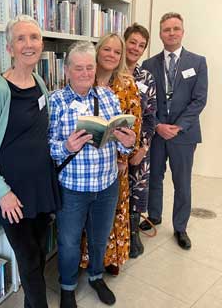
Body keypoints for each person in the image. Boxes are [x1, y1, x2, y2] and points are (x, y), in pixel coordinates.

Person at [0, 15, 61, 308]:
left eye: (34, 37)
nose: (28, 44)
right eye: (20, 39)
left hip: (40, 186)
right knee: (30, 262)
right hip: (12, 193)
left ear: (42, 44)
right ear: (9, 48)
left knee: (37, 254)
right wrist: (3, 193)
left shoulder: (39, 82)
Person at [49, 41, 136, 308]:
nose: (85, 73)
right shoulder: (56, 101)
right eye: (79, 68)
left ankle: (96, 276)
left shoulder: (108, 96)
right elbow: (46, 147)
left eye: (89, 67)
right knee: (69, 242)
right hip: (73, 187)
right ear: (67, 71)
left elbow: (121, 142)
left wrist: (128, 140)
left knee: (100, 237)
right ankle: (67, 288)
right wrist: (66, 146)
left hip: (107, 184)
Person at [139, 12, 208, 250]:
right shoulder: (148, 65)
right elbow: (145, 101)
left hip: (184, 135)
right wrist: (157, 125)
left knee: (182, 182)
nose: (171, 33)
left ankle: (180, 227)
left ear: (182, 32)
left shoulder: (198, 62)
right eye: (166, 29)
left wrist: (178, 127)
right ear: (160, 34)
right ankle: (155, 215)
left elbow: (199, 100)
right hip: (157, 133)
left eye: (175, 29)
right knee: (154, 177)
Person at [80, 33, 142, 276]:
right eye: (107, 49)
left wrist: (122, 157)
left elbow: (134, 126)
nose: (111, 55)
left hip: (115, 163)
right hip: (85, 162)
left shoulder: (127, 84)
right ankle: (86, 260)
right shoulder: (85, 78)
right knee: (87, 214)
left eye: (117, 52)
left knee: (113, 211)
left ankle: (110, 259)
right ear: (98, 51)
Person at [124, 23, 157, 258]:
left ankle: (133, 234)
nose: (136, 48)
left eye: (141, 45)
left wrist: (143, 148)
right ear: (124, 42)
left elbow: (150, 116)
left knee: (137, 190)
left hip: (138, 149)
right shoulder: (110, 70)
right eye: (133, 42)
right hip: (112, 148)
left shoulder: (146, 77)